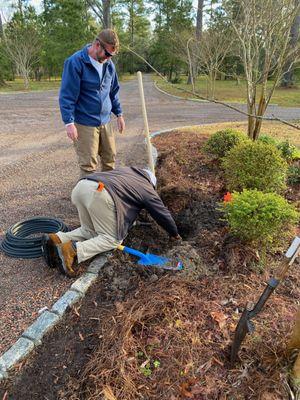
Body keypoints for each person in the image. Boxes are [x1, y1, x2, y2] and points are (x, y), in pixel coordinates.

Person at [42, 167, 181, 277]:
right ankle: (71, 250)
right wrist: (174, 233)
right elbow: (162, 214)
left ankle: (57, 238)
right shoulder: (146, 187)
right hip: (99, 194)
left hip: (81, 187)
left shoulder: (129, 171)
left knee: (89, 230)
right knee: (112, 239)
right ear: (151, 183)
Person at [59, 29, 125, 177]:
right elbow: (67, 95)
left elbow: (113, 91)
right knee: (89, 165)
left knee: (110, 161)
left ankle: (108, 196)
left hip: (105, 121)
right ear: (96, 45)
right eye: (107, 54)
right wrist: (69, 123)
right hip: (85, 122)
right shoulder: (75, 62)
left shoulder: (109, 65)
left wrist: (119, 114)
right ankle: (87, 198)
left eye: (111, 56)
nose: (108, 58)